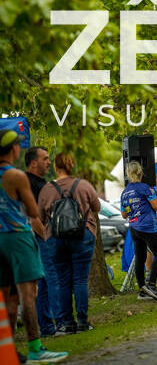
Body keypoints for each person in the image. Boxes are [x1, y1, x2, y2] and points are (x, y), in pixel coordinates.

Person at [0, 129, 68, 363]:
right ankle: (35, 348)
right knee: (28, 294)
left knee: (8, 298)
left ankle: (8, 351)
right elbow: (32, 210)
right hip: (18, 236)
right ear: (13, 149)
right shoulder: (16, 176)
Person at [38, 153, 100, 334]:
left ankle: (67, 322)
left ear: (56, 167)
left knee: (62, 280)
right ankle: (82, 321)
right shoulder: (83, 185)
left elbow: (40, 216)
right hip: (82, 236)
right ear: (72, 165)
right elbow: (96, 207)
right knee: (80, 279)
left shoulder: (47, 189)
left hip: (56, 239)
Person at [25, 146, 62, 337]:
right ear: (33, 163)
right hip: (41, 239)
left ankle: (47, 327)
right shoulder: (28, 182)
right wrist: (47, 237)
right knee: (53, 279)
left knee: (45, 283)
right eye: (45, 159)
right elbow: (33, 217)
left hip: (43, 238)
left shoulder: (41, 182)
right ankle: (61, 323)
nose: (49, 162)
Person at [121, 161, 157, 302]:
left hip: (134, 228)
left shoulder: (125, 192)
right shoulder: (145, 188)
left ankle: (142, 290)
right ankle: (151, 284)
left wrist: (134, 208)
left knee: (140, 258)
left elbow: (124, 214)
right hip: (147, 227)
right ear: (141, 173)